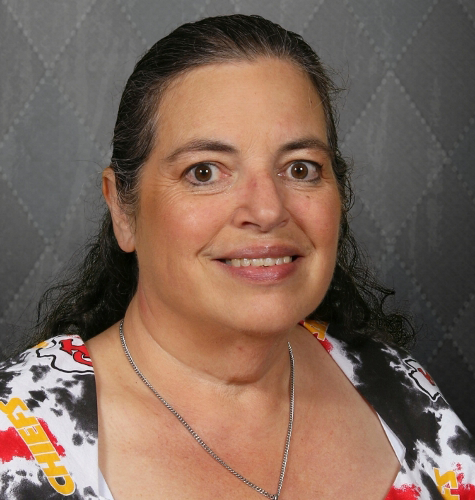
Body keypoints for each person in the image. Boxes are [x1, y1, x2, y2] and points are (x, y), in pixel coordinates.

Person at [0, 14, 474, 500]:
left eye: (301, 168)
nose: (267, 210)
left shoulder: (399, 388)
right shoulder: (19, 437)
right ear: (123, 209)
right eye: (204, 172)